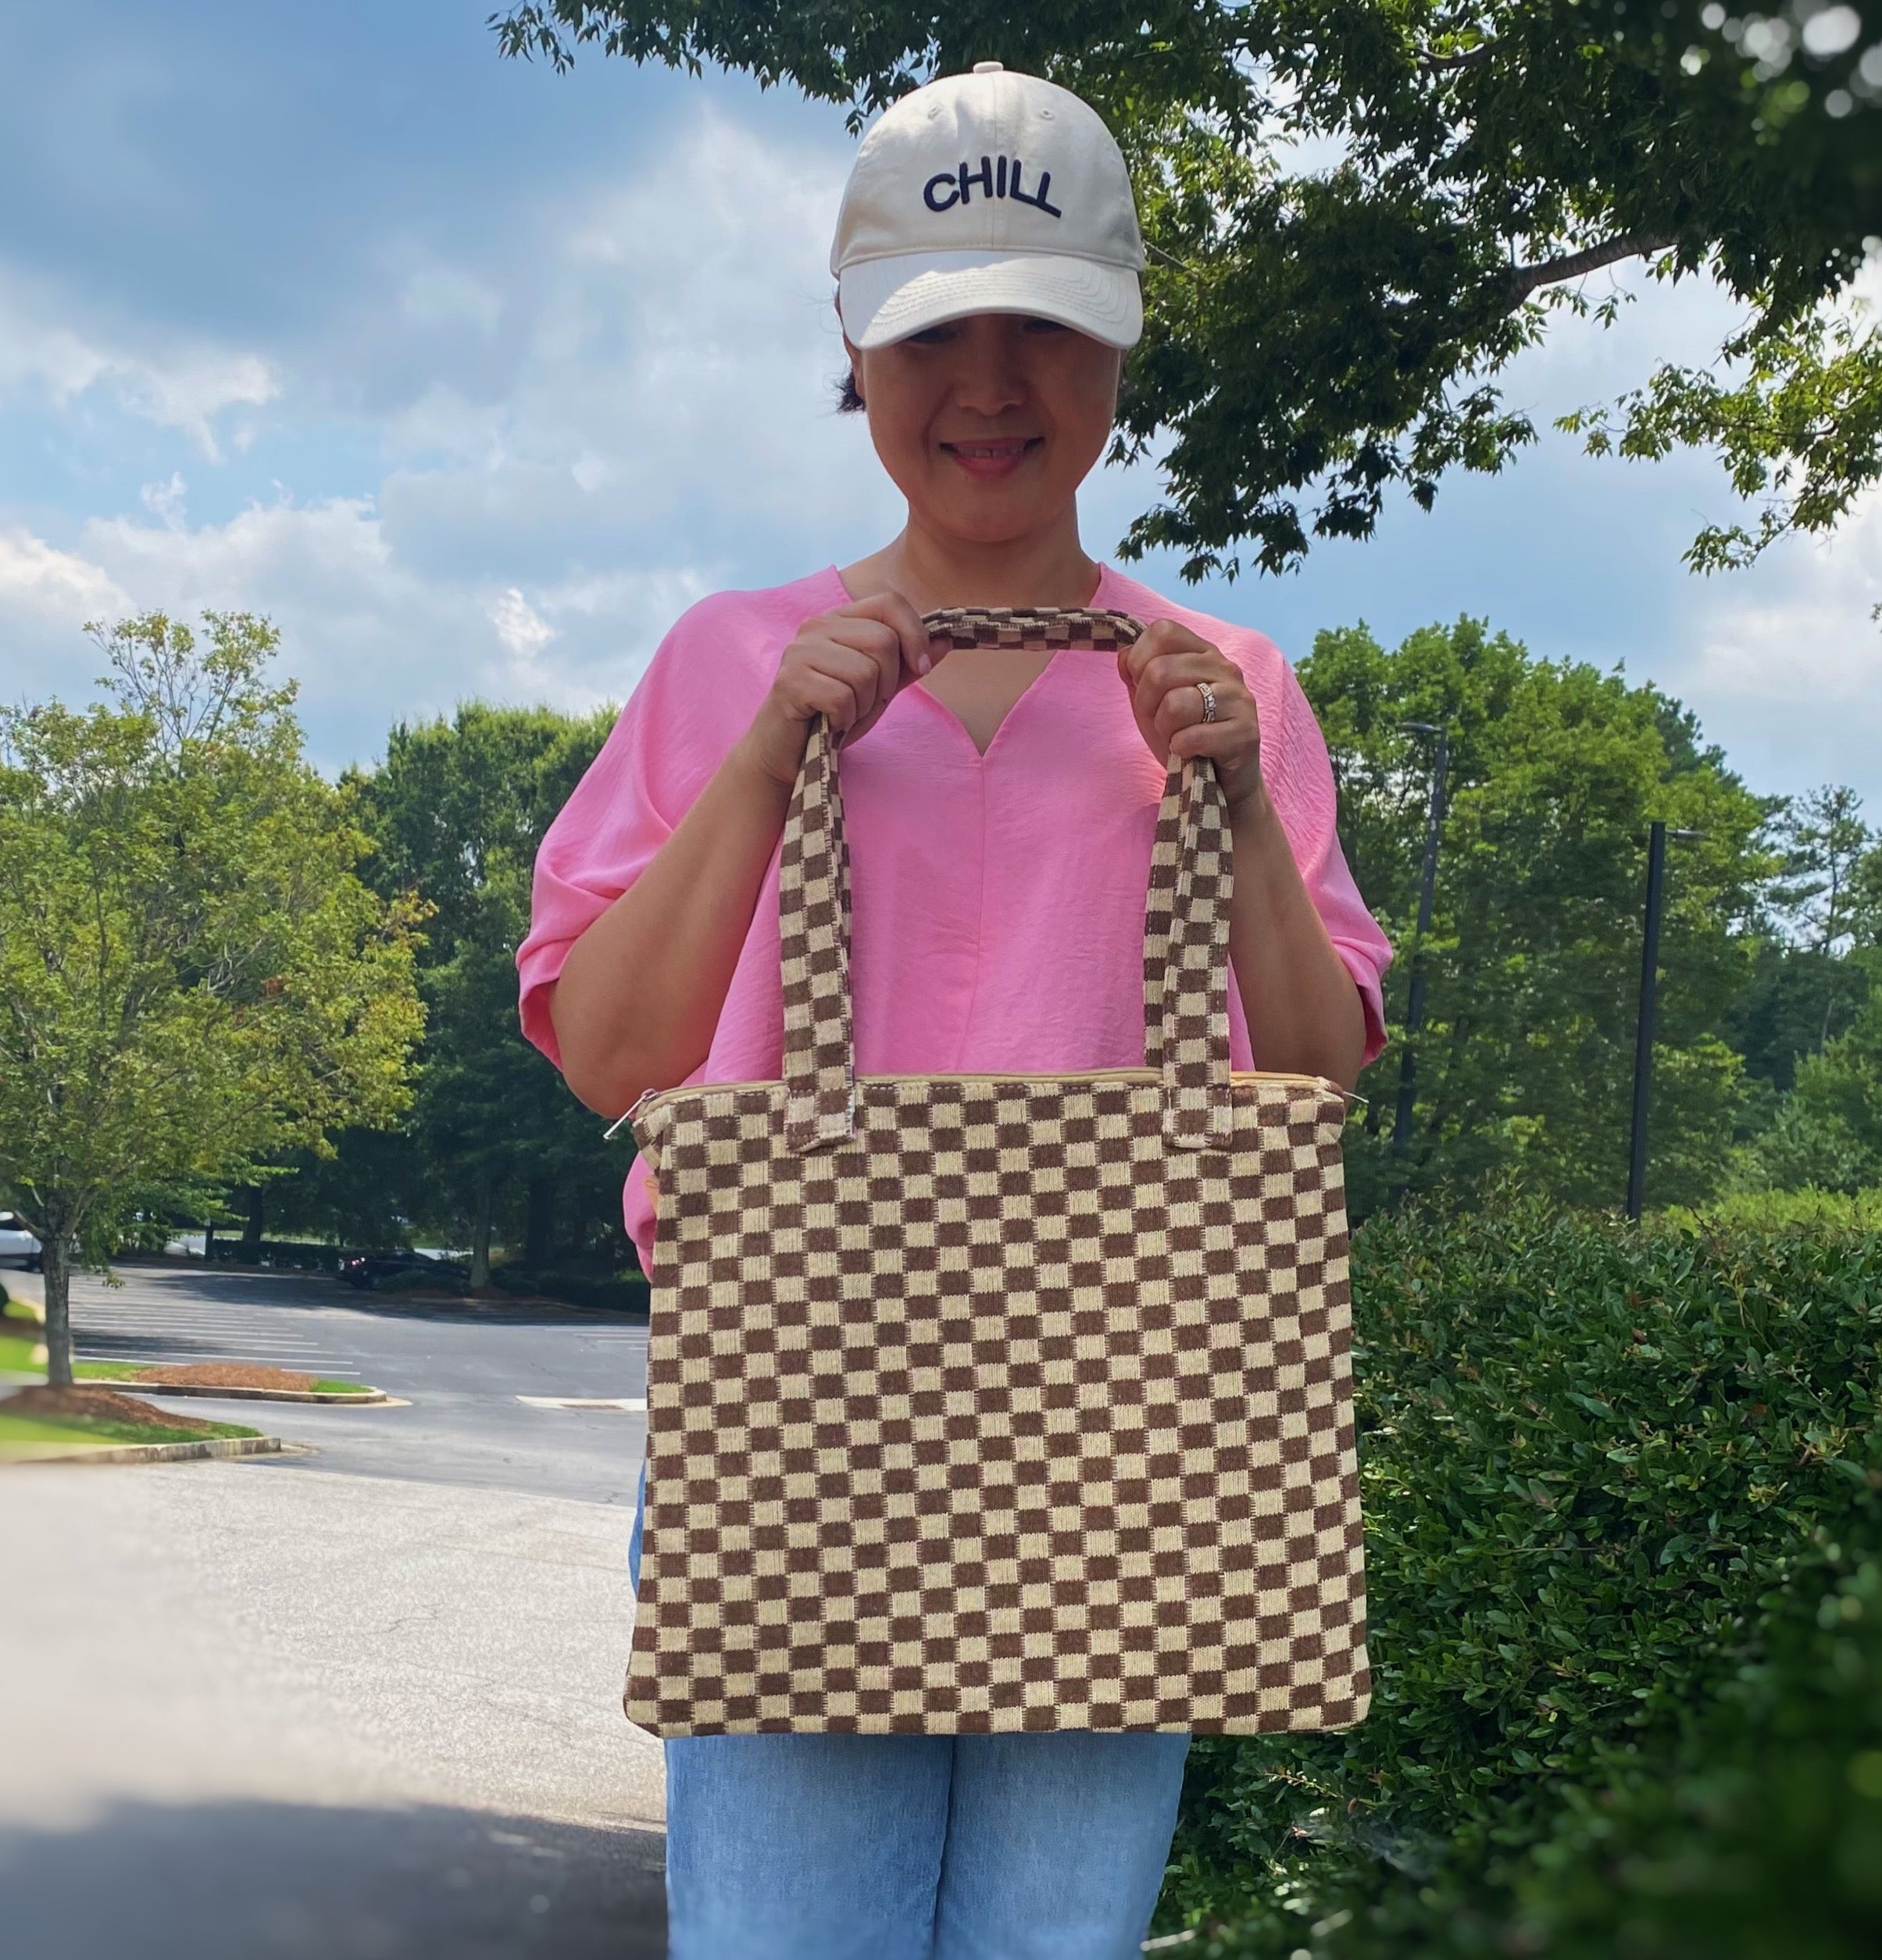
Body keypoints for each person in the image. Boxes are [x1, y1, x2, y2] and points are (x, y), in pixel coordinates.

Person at [516, 59, 1393, 1960]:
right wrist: (771, 749)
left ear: (1114, 354)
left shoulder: (1222, 684)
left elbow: (1316, 1076)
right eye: (934, 332)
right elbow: (609, 1051)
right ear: (856, 347)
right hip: (800, 1409)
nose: (988, 385)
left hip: (1129, 1421)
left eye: (1043, 329)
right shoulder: (728, 664)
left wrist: (1230, 799)